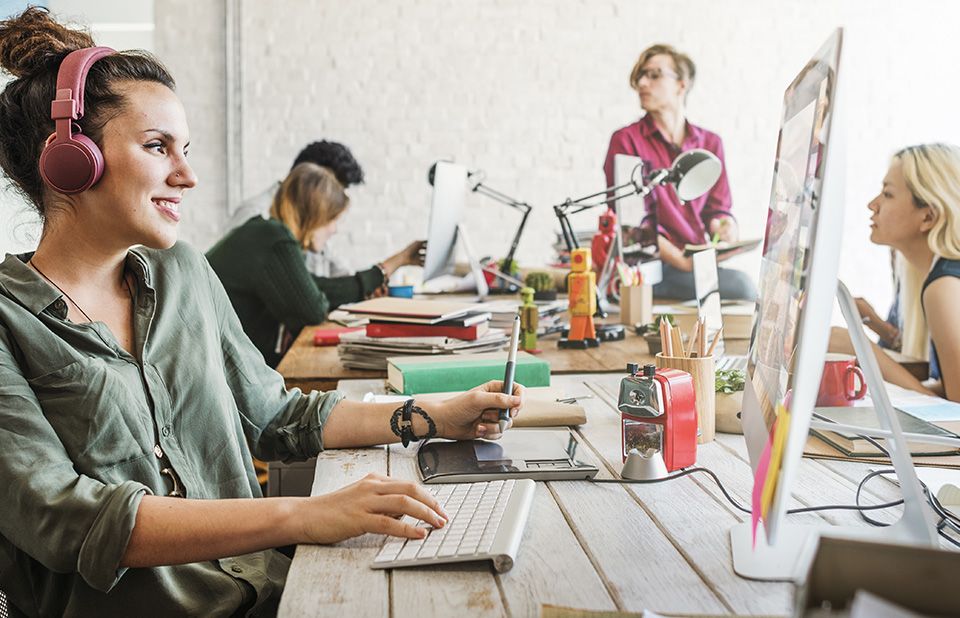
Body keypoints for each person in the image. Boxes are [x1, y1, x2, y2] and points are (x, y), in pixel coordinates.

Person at [0, 8, 523, 615]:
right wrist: (304, 517)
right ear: (69, 158)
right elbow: (67, 518)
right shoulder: (11, 322)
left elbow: (276, 415)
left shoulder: (184, 275)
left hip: (270, 595)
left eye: (186, 149)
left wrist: (435, 416)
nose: (187, 175)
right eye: (156, 146)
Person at [207, 161, 423, 367]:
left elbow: (311, 287)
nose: (335, 230)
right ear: (316, 215)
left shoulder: (266, 234)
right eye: (334, 220)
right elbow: (312, 309)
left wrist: (387, 267)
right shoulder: (274, 238)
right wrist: (383, 270)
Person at [603, 43, 756, 301]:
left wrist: (725, 227)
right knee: (743, 287)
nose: (642, 82)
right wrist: (686, 263)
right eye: (640, 76)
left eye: (653, 75)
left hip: (695, 260)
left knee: (742, 289)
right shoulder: (626, 141)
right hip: (650, 266)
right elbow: (632, 228)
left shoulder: (710, 144)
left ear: (681, 85)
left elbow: (718, 209)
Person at [831, 144, 960, 402]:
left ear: (928, 217)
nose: (872, 204)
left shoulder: (943, 286)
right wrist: (880, 331)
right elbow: (948, 390)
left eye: (888, 194)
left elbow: (956, 415)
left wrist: (862, 350)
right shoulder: (932, 275)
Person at [225, 139, 381, 278]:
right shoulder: (254, 215)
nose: (335, 201)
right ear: (310, 179)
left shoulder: (310, 222)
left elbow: (333, 275)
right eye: (332, 189)